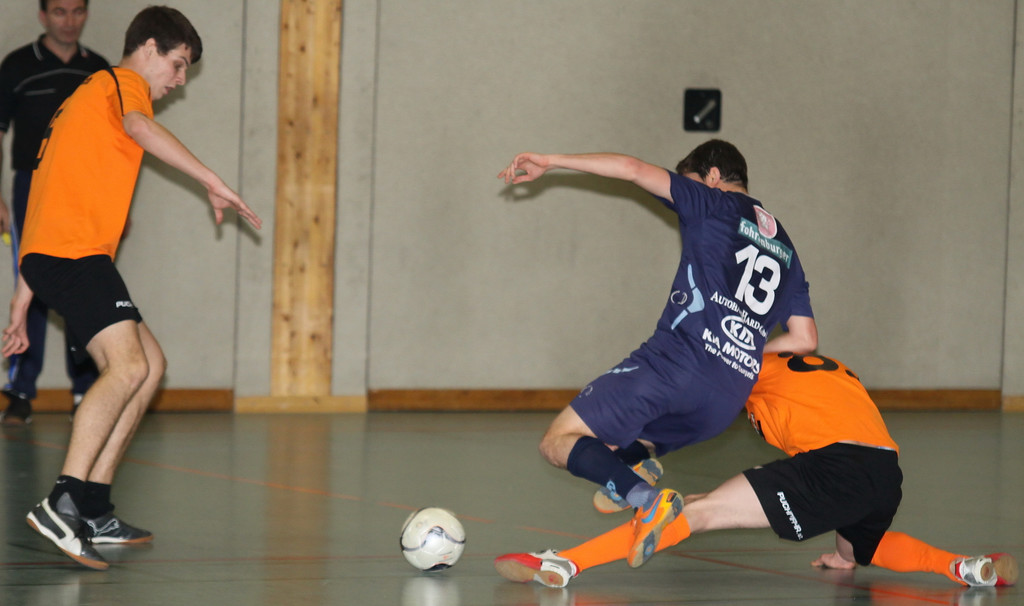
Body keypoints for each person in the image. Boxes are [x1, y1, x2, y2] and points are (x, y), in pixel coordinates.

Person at [0, 6, 262, 570]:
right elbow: (141, 128)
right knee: (128, 367)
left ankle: (93, 506)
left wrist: (23, 297)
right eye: (178, 64)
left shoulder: (85, 97)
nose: (180, 80)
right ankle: (62, 501)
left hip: (59, 255)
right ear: (147, 48)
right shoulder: (120, 83)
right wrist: (212, 180)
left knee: (150, 364)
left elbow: (45, 194)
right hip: (73, 255)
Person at [497, 142, 817, 563]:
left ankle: (647, 501)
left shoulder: (713, 203)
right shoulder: (788, 251)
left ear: (712, 177)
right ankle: (636, 462)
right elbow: (805, 338)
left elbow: (631, 168)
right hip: (726, 398)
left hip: (674, 365)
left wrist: (552, 161)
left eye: (689, 184)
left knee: (558, 441)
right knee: (623, 443)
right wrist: (742, 350)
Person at [494, 352, 1019, 589]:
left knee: (694, 510)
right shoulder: (827, 371)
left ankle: (567, 564)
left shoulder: (749, 371)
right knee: (860, 549)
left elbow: (694, 413)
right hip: (885, 471)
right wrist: (843, 558)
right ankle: (966, 567)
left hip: (830, 466)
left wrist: (630, 449)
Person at [0, 0, 109, 425]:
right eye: (59, 11)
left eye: (77, 11)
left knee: (84, 284)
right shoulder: (16, 66)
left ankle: (85, 389)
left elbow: (114, 144)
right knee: (32, 281)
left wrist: (112, 205)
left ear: (86, 14)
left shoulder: (98, 71)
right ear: (43, 16)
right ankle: (20, 391)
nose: (69, 20)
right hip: (31, 187)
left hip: (86, 191)